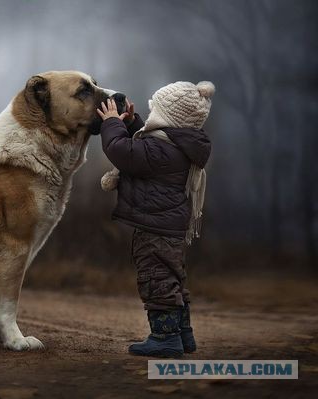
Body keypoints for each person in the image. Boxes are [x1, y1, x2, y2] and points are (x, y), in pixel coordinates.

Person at [96, 81, 215, 357]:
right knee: (172, 278)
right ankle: (183, 335)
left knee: (157, 279)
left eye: (154, 112)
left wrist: (111, 123)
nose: (150, 117)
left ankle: (165, 338)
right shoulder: (176, 145)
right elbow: (142, 147)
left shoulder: (161, 150)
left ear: (168, 118)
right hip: (168, 226)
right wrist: (131, 123)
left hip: (155, 228)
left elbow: (120, 150)